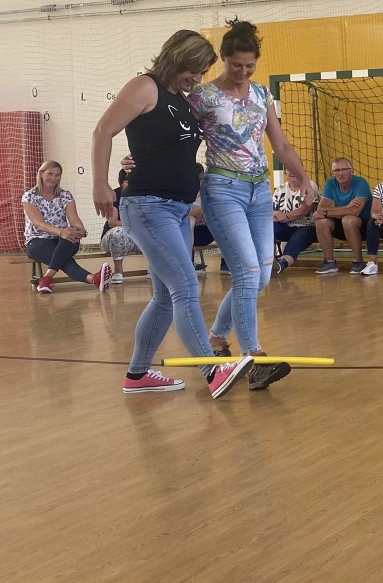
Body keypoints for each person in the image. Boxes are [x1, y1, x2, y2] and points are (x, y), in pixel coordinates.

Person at [91, 29, 254, 398]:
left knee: (166, 297)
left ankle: (137, 375)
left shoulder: (183, 99)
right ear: (176, 59)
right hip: (148, 205)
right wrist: (100, 183)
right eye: (192, 70)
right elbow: (103, 131)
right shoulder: (144, 87)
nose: (196, 78)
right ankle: (212, 371)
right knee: (185, 287)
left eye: (201, 72)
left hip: (179, 210)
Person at [189, 19, 316, 389]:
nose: (243, 72)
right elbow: (178, 140)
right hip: (222, 189)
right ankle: (254, 357)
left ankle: (217, 337)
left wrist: (304, 178)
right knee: (246, 272)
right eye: (236, 65)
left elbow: (281, 144)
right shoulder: (203, 96)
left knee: (260, 276)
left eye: (249, 65)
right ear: (223, 58)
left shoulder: (262, 94)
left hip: (259, 191)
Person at [23, 160, 112, 294]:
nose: (53, 178)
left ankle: (46, 278)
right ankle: (94, 279)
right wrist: (61, 232)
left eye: (57, 175)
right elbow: (39, 223)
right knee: (65, 260)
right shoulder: (29, 196)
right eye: (50, 174)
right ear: (41, 174)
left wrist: (80, 230)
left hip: (64, 239)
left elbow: (74, 218)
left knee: (70, 239)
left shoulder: (65, 195)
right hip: (37, 240)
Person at [312, 157, 372, 275]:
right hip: (341, 223)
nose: (340, 173)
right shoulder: (330, 183)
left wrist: (329, 212)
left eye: (344, 169)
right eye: (337, 170)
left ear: (352, 171)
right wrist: (346, 207)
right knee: (321, 221)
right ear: (333, 173)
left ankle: (358, 261)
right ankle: (329, 262)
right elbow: (321, 209)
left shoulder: (361, 183)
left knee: (348, 219)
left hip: (364, 226)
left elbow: (355, 211)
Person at [99, 168, 141, 284]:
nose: (132, 185)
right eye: (128, 182)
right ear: (121, 183)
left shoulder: (141, 197)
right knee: (118, 232)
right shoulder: (114, 195)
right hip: (112, 239)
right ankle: (118, 271)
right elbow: (112, 222)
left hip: (135, 237)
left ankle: (153, 270)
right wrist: (135, 225)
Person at [273, 168, 319, 273]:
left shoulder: (310, 186)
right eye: (288, 169)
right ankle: (267, 260)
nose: (292, 172)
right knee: (268, 228)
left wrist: (286, 216)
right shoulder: (280, 189)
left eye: (293, 168)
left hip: (307, 226)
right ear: (285, 172)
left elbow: (305, 209)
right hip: (285, 226)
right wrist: (276, 214)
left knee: (296, 240)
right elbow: (271, 211)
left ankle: (281, 263)